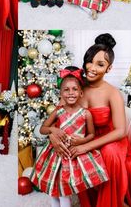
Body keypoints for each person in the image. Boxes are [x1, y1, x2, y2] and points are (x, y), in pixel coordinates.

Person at [30, 66, 108, 207]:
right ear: (60, 93)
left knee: (64, 191)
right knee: (54, 190)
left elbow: (91, 135)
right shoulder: (58, 111)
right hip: (57, 154)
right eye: (66, 90)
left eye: (74, 89)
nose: (70, 93)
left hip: (72, 155)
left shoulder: (86, 114)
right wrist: (53, 130)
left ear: (81, 93)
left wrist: (82, 141)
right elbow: (42, 129)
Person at [68, 34, 128, 207]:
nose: (92, 68)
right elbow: (63, 114)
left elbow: (120, 131)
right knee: (74, 153)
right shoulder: (76, 88)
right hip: (87, 137)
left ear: (109, 69)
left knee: (110, 153)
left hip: (112, 140)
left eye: (100, 64)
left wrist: (85, 146)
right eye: (90, 61)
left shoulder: (112, 92)